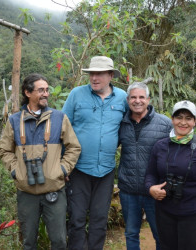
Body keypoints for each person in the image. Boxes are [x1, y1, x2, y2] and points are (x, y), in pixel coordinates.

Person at [118, 83, 196, 250]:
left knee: (160, 235)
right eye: (133, 97)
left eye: (141, 97)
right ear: (127, 100)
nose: (137, 101)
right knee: (131, 233)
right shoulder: (120, 124)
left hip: (158, 191)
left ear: (148, 100)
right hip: (129, 189)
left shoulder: (164, 123)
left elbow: (185, 133)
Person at [0, 73, 81, 250]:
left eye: (47, 90)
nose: (46, 94)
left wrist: (61, 170)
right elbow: (4, 150)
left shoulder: (59, 118)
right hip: (26, 191)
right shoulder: (14, 121)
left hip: (54, 190)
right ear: (28, 93)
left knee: (59, 240)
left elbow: (74, 147)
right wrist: (16, 171)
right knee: (28, 241)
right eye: (41, 90)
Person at [62, 56, 128, 250]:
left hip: (106, 171)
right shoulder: (76, 95)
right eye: (92, 73)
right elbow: (61, 128)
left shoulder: (123, 98)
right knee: (77, 218)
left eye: (99, 73)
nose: (94, 77)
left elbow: (140, 121)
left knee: (99, 220)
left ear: (110, 75)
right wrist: (63, 166)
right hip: (78, 169)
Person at [145, 100, 196, 250]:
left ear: (195, 121)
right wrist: (150, 188)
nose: (183, 122)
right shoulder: (160, 146)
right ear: (172, 119)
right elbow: (150, 174)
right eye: (179, 117)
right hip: (164, 212)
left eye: (188, 118)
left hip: (194, 214)